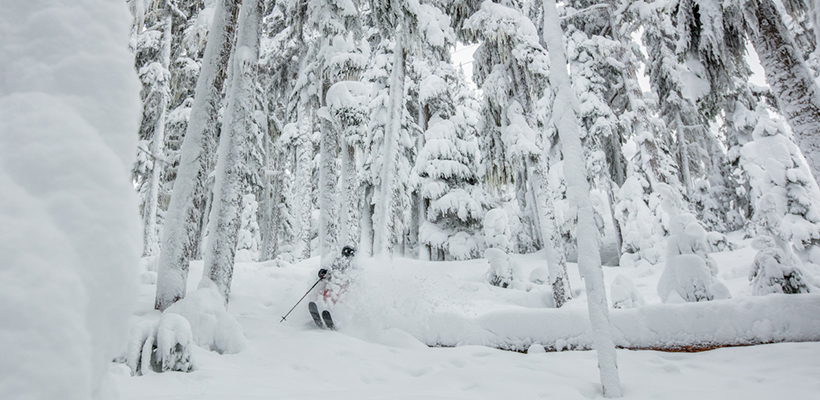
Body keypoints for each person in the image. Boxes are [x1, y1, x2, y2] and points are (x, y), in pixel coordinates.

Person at [308, 245, 357, 329]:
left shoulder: (354, 266)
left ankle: (336, 320)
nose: (346, 257)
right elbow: (329, 268)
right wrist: (323, 272)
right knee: (326, 294)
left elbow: (356, 279)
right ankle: (320, 311)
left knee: (340, 298)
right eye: (345, 254)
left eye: (348, 255)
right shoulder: (337, 261)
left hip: (344, 290)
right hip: (332, 286)